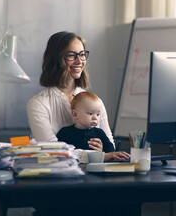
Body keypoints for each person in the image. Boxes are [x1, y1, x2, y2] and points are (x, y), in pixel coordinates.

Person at [26, 31, 129, 162]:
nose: (79, 61)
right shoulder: (38, 104)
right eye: (71, 55)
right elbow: (53, 151)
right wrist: (97, 156)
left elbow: (110, 145)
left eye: (82, 54)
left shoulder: (95, 101)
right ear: (56, 59)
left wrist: (103, 149)